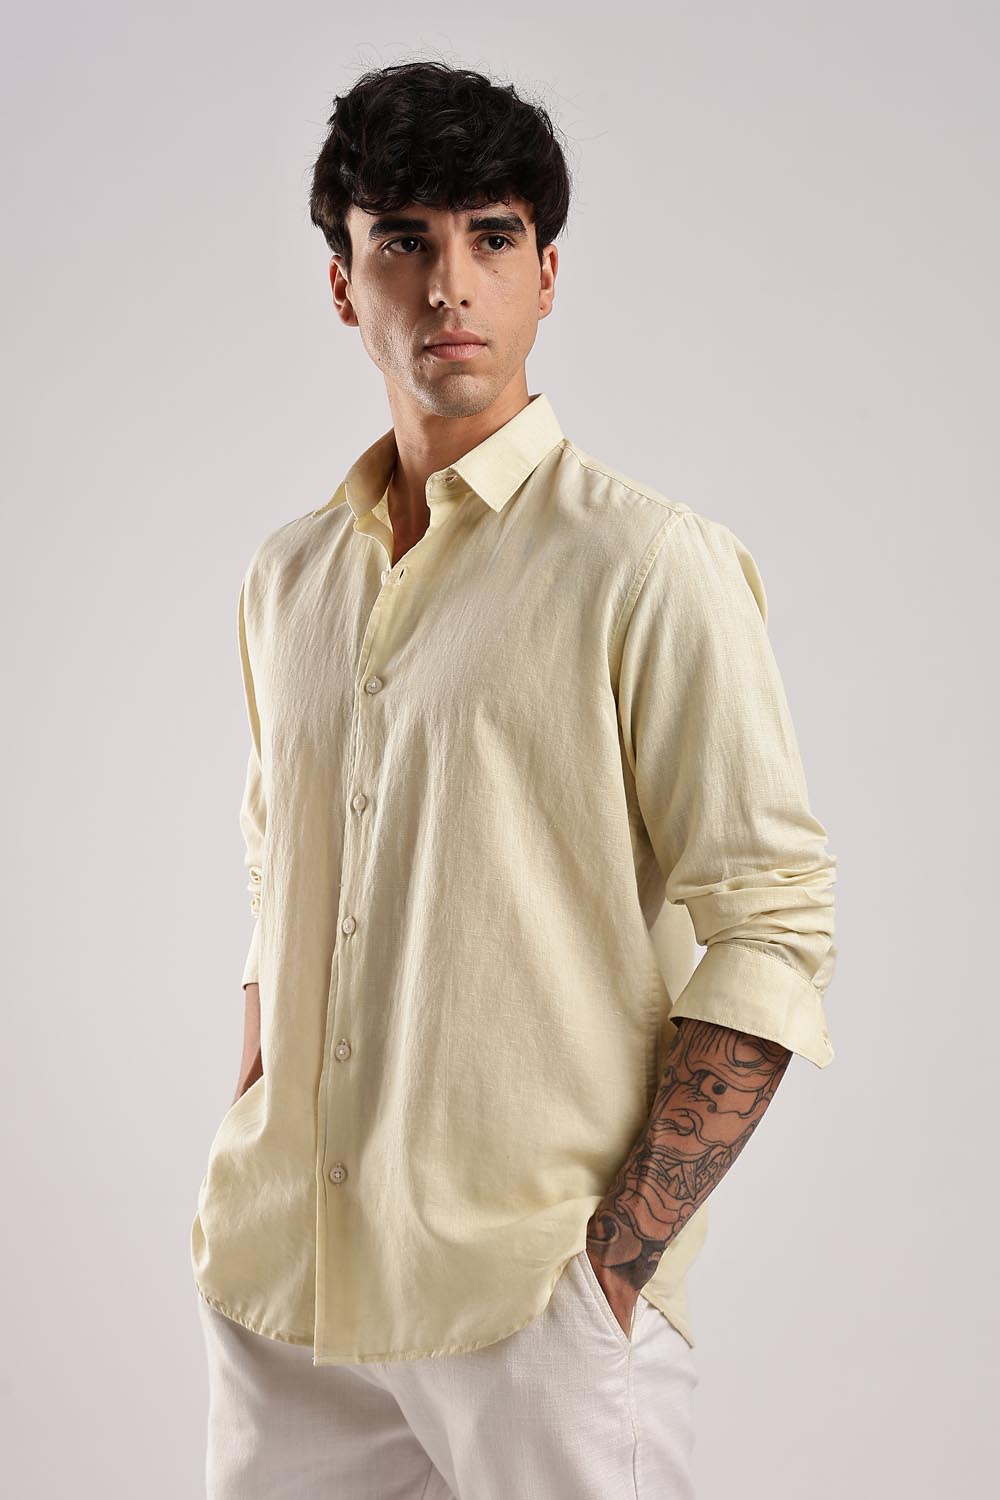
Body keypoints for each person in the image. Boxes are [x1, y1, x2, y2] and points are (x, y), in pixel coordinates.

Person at [190, 58, 837, 1500]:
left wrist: (616, 1262)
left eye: (492, 237)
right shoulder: (289, 577)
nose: (450, 287)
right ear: (344, 286)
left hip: (530, 1298)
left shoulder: (646, 565)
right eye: (403, 241)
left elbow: (774, 918)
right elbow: (276, 867)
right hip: (288, 1288)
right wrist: (251, 1116)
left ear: (548, 274)